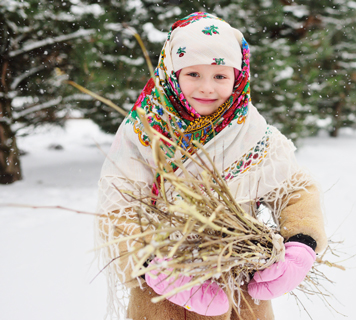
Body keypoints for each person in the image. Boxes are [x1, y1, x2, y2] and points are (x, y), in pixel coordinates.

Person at [95, 12, 327, 320]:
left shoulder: (249, 128)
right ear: (172, 72)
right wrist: (155, 266)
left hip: (240, 287)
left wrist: (302, 242)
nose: (207, 88)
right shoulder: (145, 129)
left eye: (220, 76)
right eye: (193, 74)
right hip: (163, 296)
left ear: (238, 76)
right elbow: (117, 209)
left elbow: (294, 189)